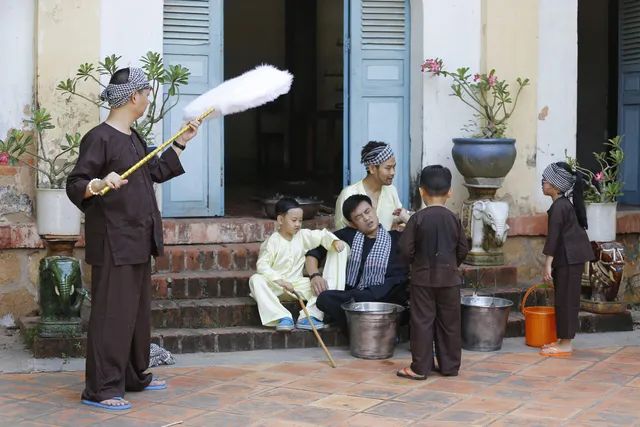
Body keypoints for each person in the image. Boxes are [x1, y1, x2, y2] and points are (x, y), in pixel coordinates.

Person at [66, 67, 201, 410]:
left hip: (139, 238)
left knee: (136, 315)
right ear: (132, 97)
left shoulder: (132, 136)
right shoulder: (99, 138)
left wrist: (182, 142)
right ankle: (102, 388)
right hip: (114, 242)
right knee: (112, 315)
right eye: (146, 92)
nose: (148, 98)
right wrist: (97, 184)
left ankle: (132, 375)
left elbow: (153, 172)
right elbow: (76, 183)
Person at [397, 165, 468, 380]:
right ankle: (450, 366)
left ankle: (420, 368)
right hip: (449, 279)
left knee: (422, 322)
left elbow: (405, 248)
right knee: (450, 322)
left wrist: (412, 264)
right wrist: (451, 264)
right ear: (449, 192)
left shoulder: (417, 219)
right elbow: (463, 249)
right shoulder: (453, 218)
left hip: (423, 278)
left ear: (421, 191)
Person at [306, 194, 410, 332]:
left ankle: (362, 329)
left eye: (367, 212)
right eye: (359, 217)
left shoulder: (397, 237)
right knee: (324, 299)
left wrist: (407, 219)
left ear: (374, 210)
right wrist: (314, 275)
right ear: (352, 223)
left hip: (391, 297)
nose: (366, 218)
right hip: (358, 298)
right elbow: (313, 253)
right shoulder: (348, 236)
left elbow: (428, 237)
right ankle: (375, 331)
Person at [249, 198, 347, 331]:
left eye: (300, 220)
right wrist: (280, 281)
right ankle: (283, 317)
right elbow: (262, 266)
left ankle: (309, 316)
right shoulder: (272, 242)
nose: (297, 224)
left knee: (322, 285)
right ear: (280, 220)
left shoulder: (303, 236)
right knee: (256, 280)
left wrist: (334, 241)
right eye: (293, 220)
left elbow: (321, 235)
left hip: (296, 285)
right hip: (276, 286)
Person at [539, 162, 594, 357]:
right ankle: (563, 340)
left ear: (554, 185)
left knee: (567, 300)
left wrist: (547, 265)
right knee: (563, 299)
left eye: (545, 180)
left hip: (571, 258)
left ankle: (566, 344)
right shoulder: (561, 205)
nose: (542, 183)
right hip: (568, 258)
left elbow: (553, 238)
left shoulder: (560, 207)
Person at [334, 141, 411, 231]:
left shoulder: (391, 190)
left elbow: (393, 219)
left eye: (394, 167)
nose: (393, 172)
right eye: (388, 168)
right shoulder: (348, 194)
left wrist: (402, 217)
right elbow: (340, 232)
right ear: (372, 168)